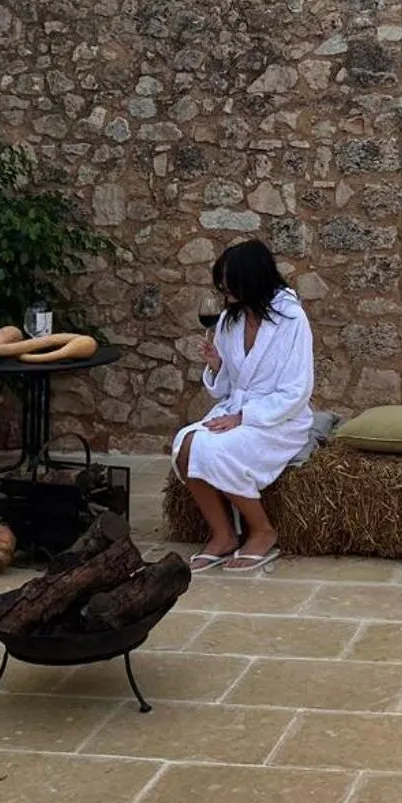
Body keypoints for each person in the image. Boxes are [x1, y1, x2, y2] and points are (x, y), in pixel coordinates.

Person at [170, 240, 315, 572]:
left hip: (278, 418)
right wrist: (218, 365)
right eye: (221, 283)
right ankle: (223, 535)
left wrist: (244, 417)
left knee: (218, 451)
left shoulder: (291, 319)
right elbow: (227, 388)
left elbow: (297, 390)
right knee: (185, 447)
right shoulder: (228, 320)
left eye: (230, 283)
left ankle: (263, 530)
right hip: (235, 410)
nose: (224, 291)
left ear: (252, 278)